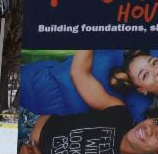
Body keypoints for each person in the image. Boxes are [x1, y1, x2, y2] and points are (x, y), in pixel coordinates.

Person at [18, 106, 158, 154]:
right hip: (25, 121)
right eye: (156, 122)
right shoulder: (120, 115)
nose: (150, 129)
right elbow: (78, 73)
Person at [19, 49, 157, 121]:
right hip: (36, 80)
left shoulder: (138, 112)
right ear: (142, 89)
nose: (156, 70)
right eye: (145, 75)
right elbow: (77, 73)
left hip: (43, 109)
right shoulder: (123, 105)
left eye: (155, 63)